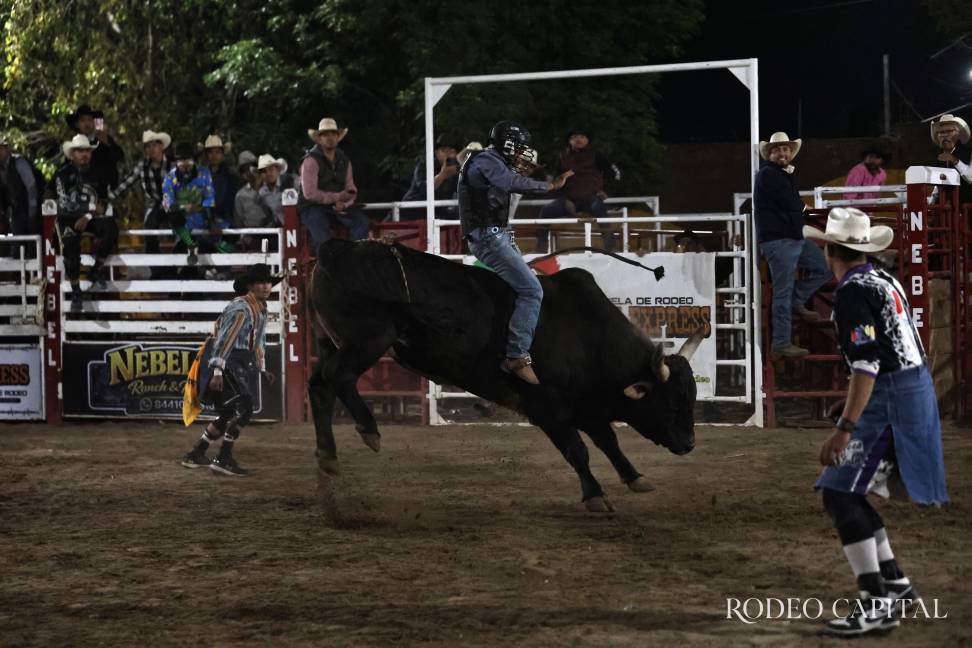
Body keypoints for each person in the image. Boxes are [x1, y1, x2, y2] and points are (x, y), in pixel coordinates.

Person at [806, 207, 948, 637]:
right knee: (848, 492)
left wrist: (846, 426)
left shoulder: (850, 294)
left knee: (839, 494)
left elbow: (867, 364)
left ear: (829, 248)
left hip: (890, 401)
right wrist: (852, 407)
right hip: (907, 391)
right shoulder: (883, 279)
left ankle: (876, 602)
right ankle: (896, 585)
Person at [459, 121, 573, 384]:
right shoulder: (487, 161)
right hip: (489, 237)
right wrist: (550, 186)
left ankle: (506, 345)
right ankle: (516, 355)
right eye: (520, 149)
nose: (522, 156)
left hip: (495, 235)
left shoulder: (489, 161)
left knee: (521, 289)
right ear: (509, 144)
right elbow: (509, 181)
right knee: (532, 290)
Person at [181, 264, 279, 476]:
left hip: (239, 360)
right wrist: (217, 370)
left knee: (228, 411)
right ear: (250, 286)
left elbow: (258, 341)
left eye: (268, 282)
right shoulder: (241, 309)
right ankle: (223, 457)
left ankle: (197, 452)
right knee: (244, 408)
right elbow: (225, 339)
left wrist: (262, 367)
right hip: (228, 360)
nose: (266, 286)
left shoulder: (260, 308)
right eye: (261, 283)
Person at [754, 131, 832, 358]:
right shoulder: (770, 174)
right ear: (770, 153)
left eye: (786, 149)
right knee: (784, 291)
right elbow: (791, 204)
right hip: (780, 239)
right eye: (778, 149)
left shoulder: (776, 174)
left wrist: (801, 210)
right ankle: (781, 341)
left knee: (824, 267)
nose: (783, 153)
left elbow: (790, 204)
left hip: (790, 236)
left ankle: (796, 302)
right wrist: (804, 209)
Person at [54, 134, 118, 312]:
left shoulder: (99, 173)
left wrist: (87, 216)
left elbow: (103, 203)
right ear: (72, 154)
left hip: (89, 218)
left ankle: (96, 269)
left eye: (87, 150)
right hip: (67, 218)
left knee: (111, 229)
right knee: (70, 244)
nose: (84, 154)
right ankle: (76, 291)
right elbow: (64, 204)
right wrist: (91, 208)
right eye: (80, 151)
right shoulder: (62, 174)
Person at [536, 127, 621, 253]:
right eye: (575, 137)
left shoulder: (596, 155)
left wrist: (606, 191)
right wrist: (565, 199)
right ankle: (541, 248)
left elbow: (611, 174)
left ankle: (611, 247)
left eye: (582, 137)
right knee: (546, 211)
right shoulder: (562, 156)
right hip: (570, 200)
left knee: (599, 209)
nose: (579, 139)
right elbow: (557, 180)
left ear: (587, 140)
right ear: (569, 141)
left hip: (591, 198)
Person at [298, 117, 369, 249]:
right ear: (319, 139)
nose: (330, 138)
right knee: (322, 235)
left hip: (337, 206)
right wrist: (336, 198)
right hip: (312, 207)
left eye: (333, 134)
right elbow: (310, 194)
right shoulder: (311, 161)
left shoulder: (344, 161)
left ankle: (353, 258)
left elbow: (351, 190)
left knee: (362, 223)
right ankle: (325, 266)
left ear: (338, 137)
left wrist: (344, 203)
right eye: (325, 134)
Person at [161, 142, 232, 261]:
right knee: (174, 218)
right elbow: (167, 203)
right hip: (182, 222)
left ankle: (218, 257)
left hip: (203, 216)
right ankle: (190, 245)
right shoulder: (169, 177)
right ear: (176, 162)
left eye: (188, 159)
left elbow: (209, 197)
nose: (185, 163)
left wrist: (209, 219)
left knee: (229, 234)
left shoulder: (204, 173)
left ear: (194, 160)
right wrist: (184, 207)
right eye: (181, 160)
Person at [108, 130, 174, 253]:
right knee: (149, 229)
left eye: (154, 145)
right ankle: (156, 267)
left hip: (173, 203)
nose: (152, 149)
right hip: (154, 204)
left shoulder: (172, 164)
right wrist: (110, 197)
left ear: (161, 146)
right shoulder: (143, 165)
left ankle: (183, 263)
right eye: (148, 147)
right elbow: (127, 182)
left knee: (181, 227)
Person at [400, 133, 460, 220]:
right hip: (411, 213)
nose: (448, 154)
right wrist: (443, 174)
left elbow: (464, 190)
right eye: (444, 150)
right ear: (436, 153)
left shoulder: (457, 171)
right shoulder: (424, 165)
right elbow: (425, 189)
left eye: (451, 151)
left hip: (436, 215)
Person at [64, 104, 124, 189]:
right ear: (77, 124)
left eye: (89, 120)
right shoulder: (74, 145)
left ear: (94, 122)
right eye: (82, 120)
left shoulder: (103, 139)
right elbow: (68, 169)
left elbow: (119, 156)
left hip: (106, 189)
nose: (86, 124)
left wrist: (106, 142)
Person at [0, 132, 42, 245]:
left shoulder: (19, 162)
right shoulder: (2, 168)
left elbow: (31, 188)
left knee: (34, 243)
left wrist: (32, 213)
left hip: (31, 208)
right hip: (16, 210)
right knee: (17, 244)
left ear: (6, 149)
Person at [930, 113, 972, 206]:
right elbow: (939, 184)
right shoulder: (939, 157)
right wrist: (933, 199)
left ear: (958, 134)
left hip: (966, 208)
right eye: (941, 132)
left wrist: (955, 161)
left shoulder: (968, 153)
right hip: (946, 210)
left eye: (949, 131)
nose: (945, 135)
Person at [200, 134, 239, 226]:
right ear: (206, 155)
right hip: (204, 221)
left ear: (222, 154)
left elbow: (231, 204)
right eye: (211, 152)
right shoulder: (200, 177)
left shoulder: (231, 177)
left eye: (217, 152)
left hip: (226, 222)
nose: (214, 156)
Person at [257, 154, 297, 226]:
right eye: (264, 171)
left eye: (271, 169)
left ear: (277, 170)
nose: (268, 173)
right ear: (260, 175)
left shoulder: (292, 181)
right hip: (283, 228)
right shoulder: (262, 193)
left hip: (302, 226)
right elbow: (268, 214)